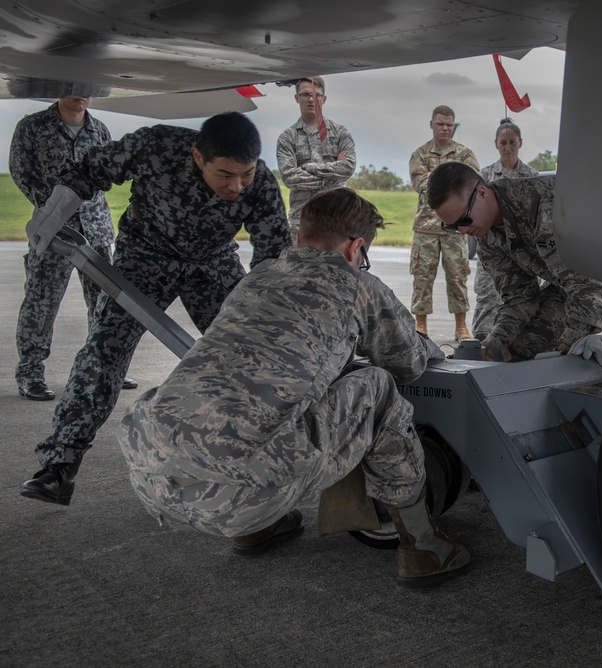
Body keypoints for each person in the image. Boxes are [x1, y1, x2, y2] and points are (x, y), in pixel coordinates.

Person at [117, 188, 472, 589]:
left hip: (151, 473)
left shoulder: (257, 278)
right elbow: (405, 364)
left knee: (254, 399)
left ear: (299, 239)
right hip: (244, 495)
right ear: (357, 248)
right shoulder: (357, 284)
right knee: (377, 385)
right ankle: (423, 547)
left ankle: (255, 530)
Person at [20, 111, 293, 506]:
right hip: (144, 259)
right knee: (104, 349)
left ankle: (254, 457)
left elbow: (271, 253)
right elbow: (90, 169)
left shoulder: (262, 183)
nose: (237, 186)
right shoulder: (156, 146)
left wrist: (262, 311)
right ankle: (59, 465)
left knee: (246, 353)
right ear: (198, 157)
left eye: (246, 173)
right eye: (225, 175)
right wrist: (53, 211)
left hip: (212, 265)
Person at [428, 162, 602, 361]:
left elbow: (588, 288)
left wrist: (567, 350)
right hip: (576, 282)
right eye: (453, 227)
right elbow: (520, 298)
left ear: (483, 193)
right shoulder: (485, 231)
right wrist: (495, 344)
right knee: (520, 346)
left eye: (464, 220)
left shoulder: (546, 206)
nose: (463, 232)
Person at [10, 96, 138, 401]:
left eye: (87, 87)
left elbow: (108, 173)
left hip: (95, 229)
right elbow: (20, 171)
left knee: (102, 304)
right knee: (41, 303)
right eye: (74, 86)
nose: (81, 92)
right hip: (55, 230)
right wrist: (51, 206)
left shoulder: (99, 130)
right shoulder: (33, 126)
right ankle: (31, 373)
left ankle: (101, 368)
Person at [408, 105, 479, 341]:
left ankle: (461, 327)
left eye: (449, 124)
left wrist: (436, 177)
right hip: (426, 228)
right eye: (440, 124)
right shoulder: (419, 155)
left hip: (455, 227)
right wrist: (451, 178)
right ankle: (421, 327)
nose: (445, 128)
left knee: (458, 277)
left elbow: (471, 185)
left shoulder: (465, 154)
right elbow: (422, 185)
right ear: (431, 125)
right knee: (422, 278)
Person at [473, 118, 539, 340]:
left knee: (525, 296)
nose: (508, 148)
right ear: (496, 144)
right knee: (487, 295)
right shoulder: (484, 176)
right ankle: (482, 339)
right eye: (503, 143)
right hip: (491, 247)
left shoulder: (532, 176)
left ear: (520, 143)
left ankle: (519, 340)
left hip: (524, 249)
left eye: (512, 142)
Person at [275, 76, 357, 239]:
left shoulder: (340, 133)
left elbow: (348, 168)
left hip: (337, 220)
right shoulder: (287, 138)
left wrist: (306, 167)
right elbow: (289, 177)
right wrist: (333, 177)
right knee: (300, 265)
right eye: (305, 94)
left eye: (317, 95)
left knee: (337, 265)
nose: (311, 99)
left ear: (324, 99)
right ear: (297, 98)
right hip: (302, 222)